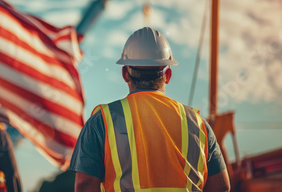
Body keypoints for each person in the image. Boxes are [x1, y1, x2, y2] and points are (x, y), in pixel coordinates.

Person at [69, 27, 230, 192]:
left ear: (125, 73)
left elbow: (85, 185)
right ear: (167, 75)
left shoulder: (102, 121)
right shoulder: (198, 124)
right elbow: (221, 186)